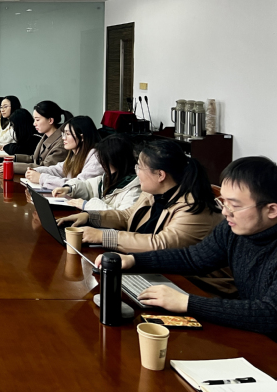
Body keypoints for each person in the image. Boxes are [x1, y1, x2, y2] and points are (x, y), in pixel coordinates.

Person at [98, 157, 277, 337]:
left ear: (271, 210)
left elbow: (270, 314)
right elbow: (193, 258)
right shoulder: (232, 230)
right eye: (224, 202)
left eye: (235, 205)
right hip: (253, 334)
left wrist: (186, 302)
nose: (225, 211)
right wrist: (133, 260)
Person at [57, 138, 222, 252]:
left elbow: (160, 244)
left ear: (160, 175)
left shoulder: (193, 207)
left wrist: (102, 236)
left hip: (189, 282)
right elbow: (128, 216)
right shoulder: (153, 193)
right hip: (152, 266)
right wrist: (90, 217)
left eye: (140, 168)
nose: (136, 173)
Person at [52, 134, 141, 211]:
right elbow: (88, 187)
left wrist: (86, 205)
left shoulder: (134, 188)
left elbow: (120, 217)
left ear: (117, 161)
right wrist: (69, 188)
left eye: (105, 160)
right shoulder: (108, 178)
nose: (102, 164)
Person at [24, 116, 103, 190]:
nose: (63, 138)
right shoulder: (76, 154)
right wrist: (36, 171)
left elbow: (78, 186)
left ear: (82, 137)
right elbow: (58, 170)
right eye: (63, 134)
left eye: (67, 134)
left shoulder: (96, 158)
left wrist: (41, 178)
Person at [2, 100, 71, 175]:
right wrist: (14, 158)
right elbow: (34, 158)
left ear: (50, 120)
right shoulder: (45, 137)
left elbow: (46, 167)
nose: (34, 124)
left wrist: (12, 167)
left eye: (37, 120)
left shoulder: (62, 144)